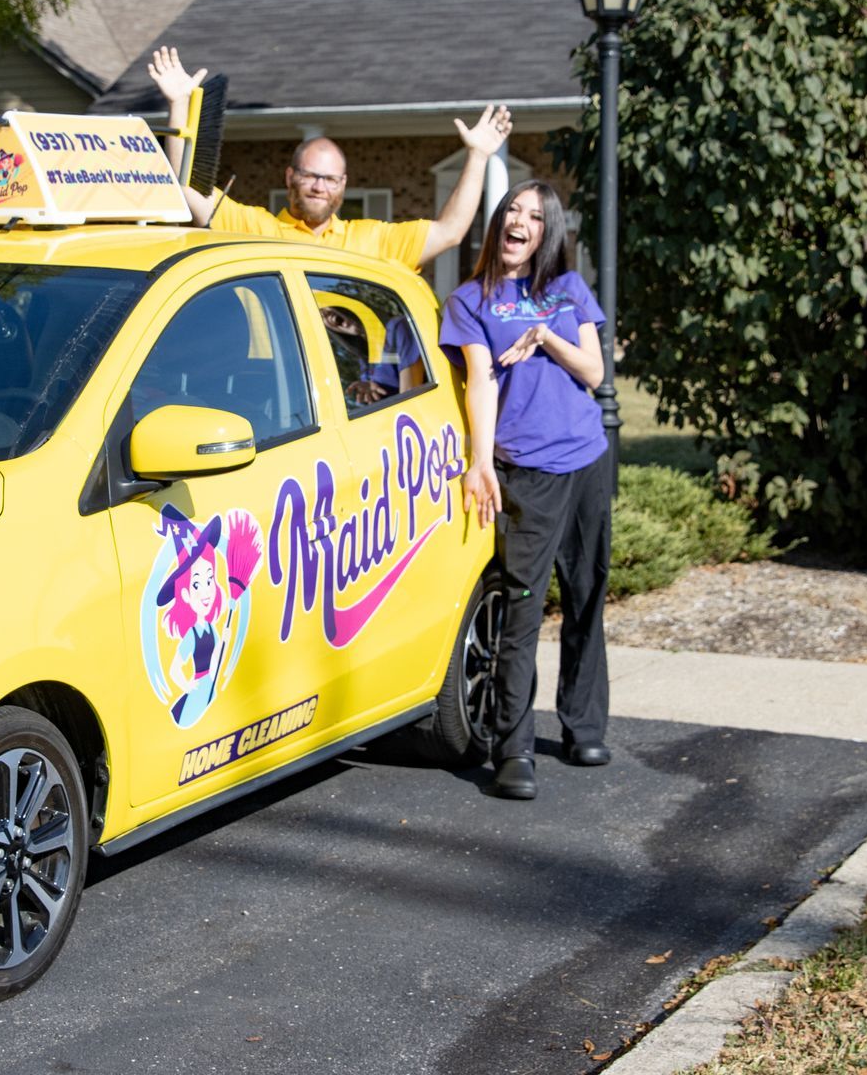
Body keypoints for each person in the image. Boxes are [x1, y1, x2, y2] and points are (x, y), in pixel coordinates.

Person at [441, 180, 611, 802]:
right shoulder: (469, 300)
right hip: (527, 473)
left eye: (534, 216)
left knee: (588, 593)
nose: (519, 221)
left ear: (548, 232)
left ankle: (584, 726)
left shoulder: (567, 291)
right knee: (522, 607)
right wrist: (479, 462)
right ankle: (514, 748)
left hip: (586, 458)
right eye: (512, 210)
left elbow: (593, 370)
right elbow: (479, 383)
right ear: (498, 224)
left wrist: (544, 335)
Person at [147, 45, 511, 268]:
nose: (320, 187)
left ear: (344, 186)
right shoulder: (255, 229)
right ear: (290, 177)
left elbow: (449, 233)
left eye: (330, 179)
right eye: (311, 176)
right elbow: (189, 196)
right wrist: (179, 106)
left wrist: (477, 157)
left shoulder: (370, 241)